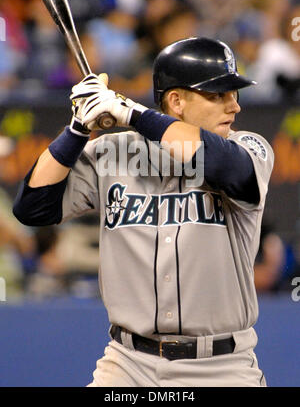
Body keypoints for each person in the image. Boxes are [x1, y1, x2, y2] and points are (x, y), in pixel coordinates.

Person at [13, 37, 274, 387]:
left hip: (221, 367)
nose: (234, 106)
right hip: (127, 365)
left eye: (234, 93)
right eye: (218, 95)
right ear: (176, 101)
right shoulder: (114, 152)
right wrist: (77, 128)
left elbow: (223, 165)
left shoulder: (248, 148)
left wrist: (130, 113)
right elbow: (33, 208)